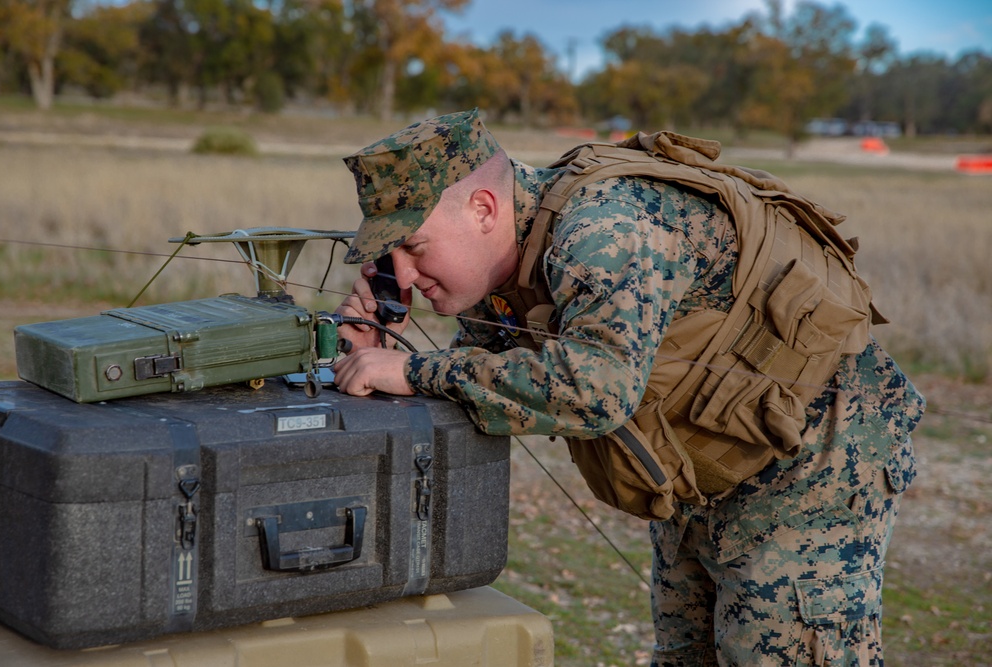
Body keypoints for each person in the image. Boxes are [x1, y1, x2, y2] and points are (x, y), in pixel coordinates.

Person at [332, 108, 925, 666]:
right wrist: (375, 349)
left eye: (412, 247)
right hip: (707, 464)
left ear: (484, 210)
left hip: (814, 461)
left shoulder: (601, 227)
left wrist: (411, 372)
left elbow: (594, 390)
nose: (403, 272)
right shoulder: (508, 264)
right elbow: (488, 376)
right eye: (390, 256)